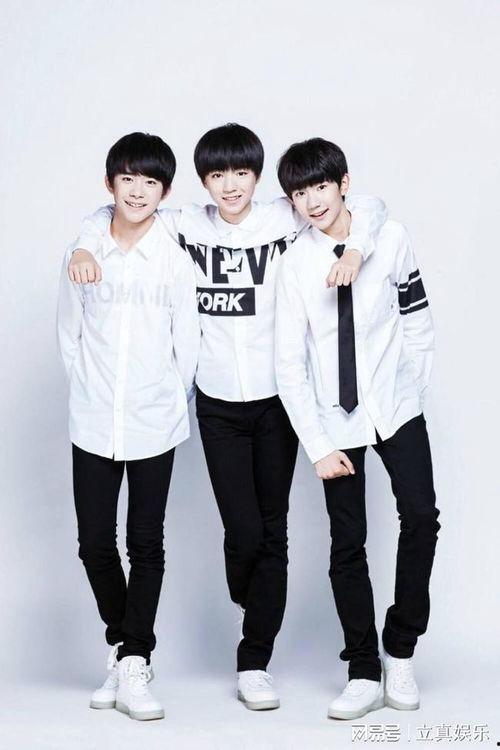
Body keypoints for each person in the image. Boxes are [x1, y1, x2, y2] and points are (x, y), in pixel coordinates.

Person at [66, 123, 387, 710]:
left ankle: (254, 660)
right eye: (217, 174)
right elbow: (114, 214)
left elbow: (364, 206)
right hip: (216, 403)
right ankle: (237, 601)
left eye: (241, 173)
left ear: (258, 178)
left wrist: (359, 247)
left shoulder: (284, 218)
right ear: (201, 182)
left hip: (279, 400)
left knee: (273, 532)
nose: (230, 185)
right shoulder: (184, 224)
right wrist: (85, 245)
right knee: (243, 534)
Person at [275, 137, 440, 720]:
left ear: (343, 183)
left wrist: (410, 388)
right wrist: (317, 445)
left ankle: (401, 648)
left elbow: (417, 319)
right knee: (348, 543)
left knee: (421, 517)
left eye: (321, 185)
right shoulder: (295, 264)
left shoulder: (387, 237)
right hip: (334, 418)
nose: (312, 200)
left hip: (395, 406)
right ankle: (364, 668)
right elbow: (288, 364)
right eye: (299, 192)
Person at [57, 132, 200, 721]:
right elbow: (68, 335)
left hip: (154, 421)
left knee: (146, 542)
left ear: (165, 191)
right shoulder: (83, 254)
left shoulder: (175, 257)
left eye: (150, 181)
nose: (138, 191)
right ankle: (124, 645)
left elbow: (186, 344)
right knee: (94, 543)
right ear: (109, 183)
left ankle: (135, 659)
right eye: (128, 179)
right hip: (93, 418)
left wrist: (166, 398)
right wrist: (90, 390)